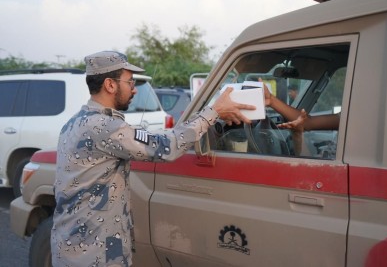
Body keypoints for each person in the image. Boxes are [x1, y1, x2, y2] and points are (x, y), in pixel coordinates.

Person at [51, 51, 257, 267]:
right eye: (130, 81)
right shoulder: (104, 127)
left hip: (75, 246)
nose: (134, 89)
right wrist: (213, 112)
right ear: (110, 85)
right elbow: (166, 147)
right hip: (92, 254)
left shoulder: (77, 122)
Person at [259, 78, 340, 156]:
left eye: (291, 91)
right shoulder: (348, 120)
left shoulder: (351, 120)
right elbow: (307, 123)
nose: (289, 93)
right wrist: (271, 100)